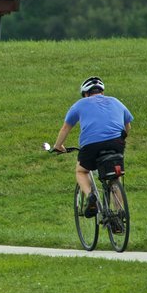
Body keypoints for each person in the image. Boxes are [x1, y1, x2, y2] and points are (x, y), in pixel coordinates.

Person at [53, 77, 133, 217]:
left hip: (91, 145)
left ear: (85, 94)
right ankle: (120, 214)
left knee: (81, 171)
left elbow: (66, 128)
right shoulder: (115, 101)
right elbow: (128, 126)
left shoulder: (80, 104)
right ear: (102, 92)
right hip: (117, 143)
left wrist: (58, 146)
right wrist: (120, 140)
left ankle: (91, 196)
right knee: (115, 176)